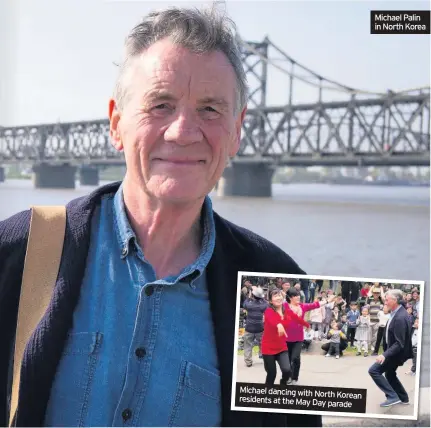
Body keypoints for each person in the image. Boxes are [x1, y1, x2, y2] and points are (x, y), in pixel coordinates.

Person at [0, 6, 321, 428]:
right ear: (116, 123)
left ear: (238, 130)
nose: (182, 132)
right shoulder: (19, 251)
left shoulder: (275, 276)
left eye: (210, 109)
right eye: (161, 104)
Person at [368, 289, 412, 407]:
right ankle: (403, 398)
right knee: (390, 374)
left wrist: (384, 354)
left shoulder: (400, 317)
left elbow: (399, 343)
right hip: (392, 351)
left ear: (395, 300)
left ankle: (392, 396)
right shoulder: (396, 312)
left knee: (374, 370)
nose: (385, 302)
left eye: (387, 300)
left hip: (395, 353)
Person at [284, 288, 335, 385]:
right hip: (286, 337)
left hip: (298, 337)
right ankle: (288, 376)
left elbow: (315, 305)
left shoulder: (302, 307)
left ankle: (294, 376)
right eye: (295, 295)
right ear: (290, 298)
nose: (298, 297)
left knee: (295, 358)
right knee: (288, 358)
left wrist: (328, 300)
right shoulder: (285, 306)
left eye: (298, 295)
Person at [261, 289, 309, 385]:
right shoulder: (268, 311)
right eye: (275, 296)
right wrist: (279, 325)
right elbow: (272, 319)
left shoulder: (287, 311)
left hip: (282, 347)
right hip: (268, 348)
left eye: (279, 295)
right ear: (271, 301)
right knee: (271, 374)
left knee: (287, 371)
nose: (278, 297)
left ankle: (282, 384)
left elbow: (296, 318)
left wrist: (306, 325)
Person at [242, 287, 268, 367]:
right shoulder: (263, 306)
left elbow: (244, 303)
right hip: (259, 328)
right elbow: (266, 304)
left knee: (248, 345)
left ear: (253, 295)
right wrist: (262, 297)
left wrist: (249, 296)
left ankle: (248, 362)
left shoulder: (248, 305)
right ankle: (262, 355)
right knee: (262, 343)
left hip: (249, 328)